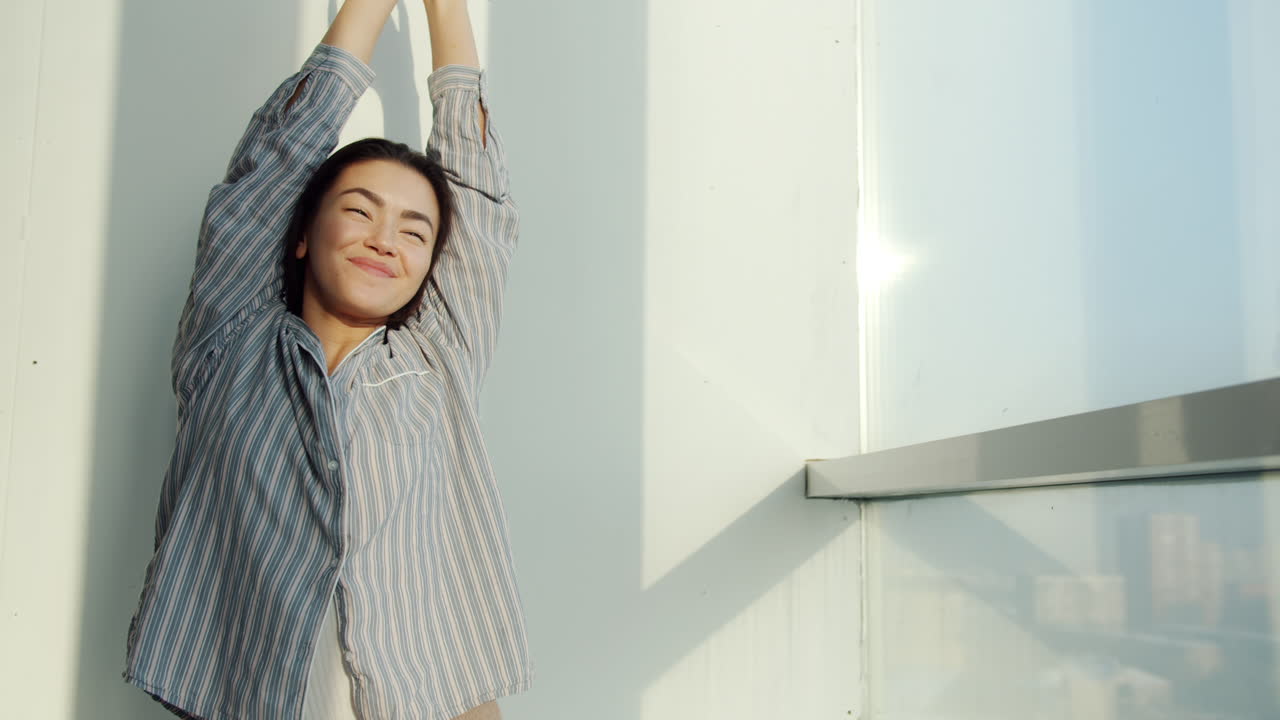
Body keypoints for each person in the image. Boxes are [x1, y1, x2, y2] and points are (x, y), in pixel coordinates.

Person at [122, 1, 532, 718]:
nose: (384, 239)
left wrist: (447, 8)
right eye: (359, 210)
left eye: (414, 230)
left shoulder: (441, 357)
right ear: (302, 234)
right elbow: (268, 172)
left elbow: (476, 191)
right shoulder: (230, 342)